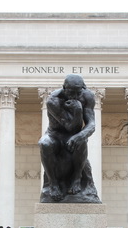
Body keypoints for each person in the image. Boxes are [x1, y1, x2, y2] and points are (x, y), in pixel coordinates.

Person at [39, 74, 100, 203]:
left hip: (75, 135)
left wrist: (81, 135)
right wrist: (78, 110)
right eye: (71, 92)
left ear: (83, 88)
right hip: (55, 135)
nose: (75, 96)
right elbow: (69, 126)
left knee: (81, 141)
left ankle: (77, 178)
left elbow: (92, 124)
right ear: (64, 89)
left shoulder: (87, 96)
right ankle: (53, 184)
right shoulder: (53, 100)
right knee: (44, 143)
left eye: (78, 92)